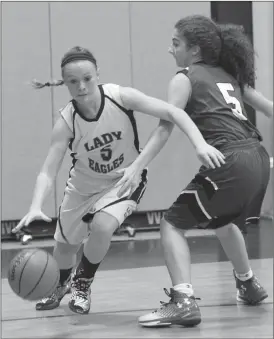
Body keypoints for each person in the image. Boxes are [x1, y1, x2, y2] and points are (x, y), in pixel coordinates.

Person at [12, 46, 225, 315]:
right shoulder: (67, 122)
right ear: (65, 83)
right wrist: (35, 205)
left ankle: (82, 284)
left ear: (97, 74)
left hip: (124, 179)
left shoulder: (120, 96)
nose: (82, 86)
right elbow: (47, 170)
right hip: (82, 188)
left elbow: (174, 112)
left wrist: (199, 144)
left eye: (87, 78)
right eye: (73, 82)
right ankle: (62, 283)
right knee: (64, 248)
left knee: (102, 226)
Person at [115, 16, 273, 327]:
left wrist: (137, 166)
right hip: (258, 158)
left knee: (172, 224)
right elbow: (270, 107)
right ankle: (248, 284)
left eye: (176, 44)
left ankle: (182, 301)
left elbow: (165, 128)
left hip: (230, 160)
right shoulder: (231, 76)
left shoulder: (184, 78)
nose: (169, 49)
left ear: (195, 50)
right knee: (224, 220)